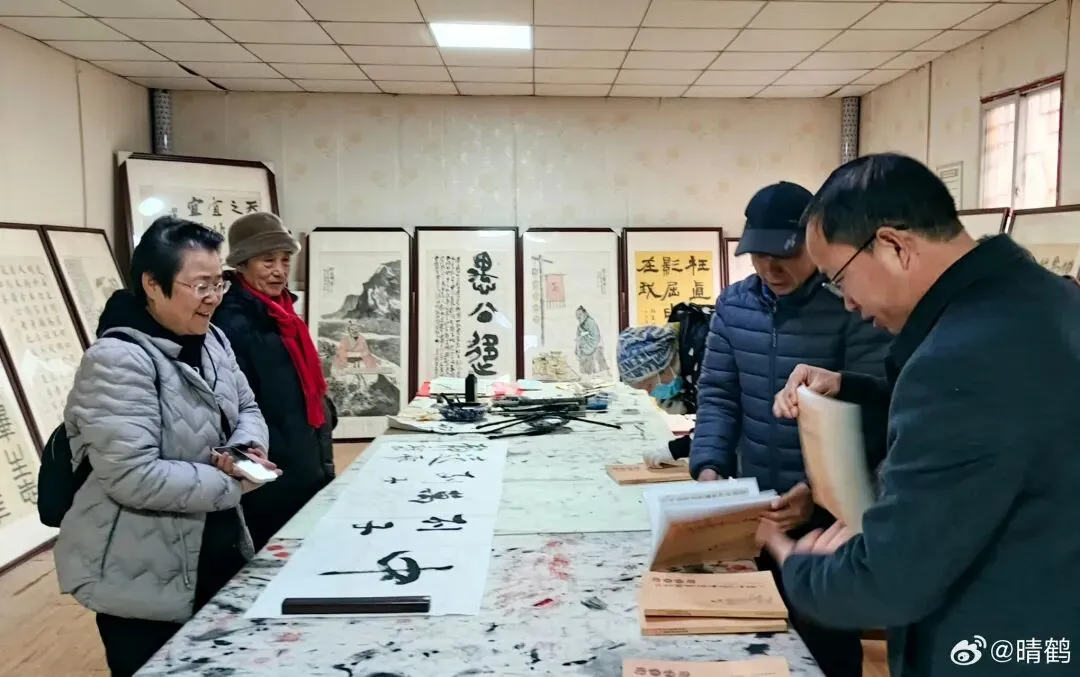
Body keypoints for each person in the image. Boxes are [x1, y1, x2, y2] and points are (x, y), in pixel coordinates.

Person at [764, 153, 1080, 677]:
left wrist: (797, 564)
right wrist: (850, 389)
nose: (847, 303)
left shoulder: (961, 359)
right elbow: (995, 437)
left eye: (839, 279)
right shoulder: (1047, 298)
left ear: (893, 246)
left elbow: (891, 579)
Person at [55, 216, 274, 677]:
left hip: (213, 547)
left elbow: (247, 406)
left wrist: (245, 451)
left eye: (219, 283)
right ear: (152, 285)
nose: (213, 297)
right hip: (140, 571)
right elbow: (133, 475)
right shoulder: (116, 360)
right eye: (200, 286)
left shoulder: (213, 339)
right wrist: (232, 484)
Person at [691, 181, 892, 677]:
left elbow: (873, 414)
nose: (770, 268)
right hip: (751, 509)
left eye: (785, 255)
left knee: (825, 643)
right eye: (759, 256)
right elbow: (718, 395)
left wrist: (814, 493)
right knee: (752, 642)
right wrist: (710, 471)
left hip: (827, 519)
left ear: (814, 243)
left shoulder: (850, 306)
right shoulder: (734, 306)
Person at [213, 211, 338, 552]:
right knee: (276, 560)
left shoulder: (283, 314)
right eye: (268, 261)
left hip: (306, 458)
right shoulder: (231, 323)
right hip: (273, 472)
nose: (279, 270)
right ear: (242, 264)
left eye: (285, 260)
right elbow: (236, 409)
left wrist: (326, 416)